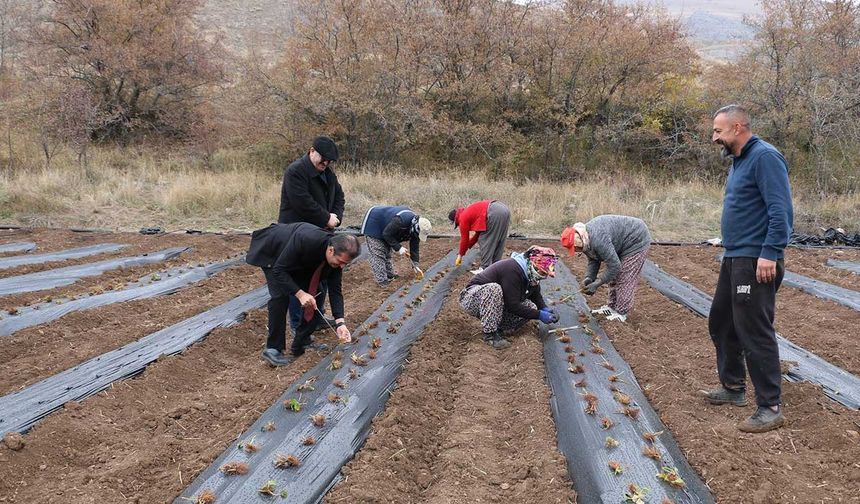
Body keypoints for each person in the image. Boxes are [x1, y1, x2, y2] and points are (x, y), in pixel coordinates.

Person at [704, 104, 793, 433]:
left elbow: (780, 209)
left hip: (756, 260)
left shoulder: (765, 157)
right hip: (735, 257)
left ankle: (770, 407)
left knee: (754, 329)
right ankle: (733, 388)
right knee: (722, 322)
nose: (714, 137)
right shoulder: (739, 160)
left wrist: (770, 252)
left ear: (738, 127)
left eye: (719, 131)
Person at [246, 222, 361, 366]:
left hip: (298, 258)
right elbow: (279, 271)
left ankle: (301, 342)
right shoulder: (307, 240)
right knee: (280, 296)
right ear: (331, 250)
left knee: (317, 292)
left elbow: (335, 290)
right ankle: (273, 349)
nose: (341, 266)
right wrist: (300, 294)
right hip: (272, 252)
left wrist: (340, 323)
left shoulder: (335, 255)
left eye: (345, 263)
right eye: (340, 262)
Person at [278, 136, 346, 334]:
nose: (325, 164)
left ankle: (317, 317)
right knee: (299, 280)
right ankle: (299, 326)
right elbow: (303, 203)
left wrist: (336, 218)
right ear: (311, 151)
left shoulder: (328, 175)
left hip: (321, 235)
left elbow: (339, 197)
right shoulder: (296, 171)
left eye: (329, 161)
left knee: (321, 277)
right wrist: (326, 218)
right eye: (322, 159)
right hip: (296, 235)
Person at [459, 246, 560, 349]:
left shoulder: (530, 273)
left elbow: (535, 294)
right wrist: (539, 315)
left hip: (496, 303)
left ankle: (500, 328)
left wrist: (544, 308)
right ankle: (490, 334)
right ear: (532, 263)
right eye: (542, 272)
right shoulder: (512, 269)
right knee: (494, 289)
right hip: (472, 298)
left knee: (531, 307)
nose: (543, 275)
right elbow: (512, 305)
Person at [560, 215, 651, 323]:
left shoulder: (598, 239)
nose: (575, 250)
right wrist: (589, 277)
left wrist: (598, 283)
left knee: (624, 277)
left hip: (636, 239)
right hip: (621, 242)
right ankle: (611, 307)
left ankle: (621, 313)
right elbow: (593, 260)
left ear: (578, 237)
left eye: (575, 247)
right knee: (613, 277)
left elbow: (614, 266)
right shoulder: (585, 240)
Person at [359, 205, 432, 285]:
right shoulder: (401, 221)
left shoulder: (415, 230)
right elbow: (386, 234)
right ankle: (382, 280)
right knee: (378, 252)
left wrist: (415, 265)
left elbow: (414, 248)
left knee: (387, 252)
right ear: (416, 227)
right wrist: (399, 248)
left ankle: (390, 275)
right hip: (374, 222)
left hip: (387, 228)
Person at [448, 199, 511, 272]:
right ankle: (497, 266)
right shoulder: (468, 212)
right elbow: (478, 234)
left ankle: (484, 269)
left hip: (494, 212)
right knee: (499, 239)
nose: (459, 225)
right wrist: (468, 246)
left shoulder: (462, 218)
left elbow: (464, 239)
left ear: (455, 220)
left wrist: (460, 255)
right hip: (503, 208)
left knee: (485, 239)